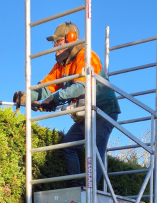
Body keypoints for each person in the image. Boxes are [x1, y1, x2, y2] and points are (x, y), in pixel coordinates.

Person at [13, 21, 120, 187]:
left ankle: (90, 192)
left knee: (95, 151)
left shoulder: (86, 56)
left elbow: (81, 86)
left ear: (71, 39)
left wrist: (53, 100)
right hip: (86, 113)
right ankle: (77, 185)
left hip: (103, 111)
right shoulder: (60, 66)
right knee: (68, 145)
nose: (54, 46)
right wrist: (26, 97)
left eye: (58, 41)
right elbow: (46, 87)